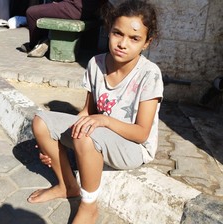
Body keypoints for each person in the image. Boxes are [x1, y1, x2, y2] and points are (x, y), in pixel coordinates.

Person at [28, 0, 163, 223]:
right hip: (99, 137)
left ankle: (89, 206)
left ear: (147, 43)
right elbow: (86, 112)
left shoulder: (150, 75)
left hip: (133, 148)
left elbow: (141, 134)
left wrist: (103, 120)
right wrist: (52, 142)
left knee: (86, 135)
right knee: (41, 121)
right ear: (108, 30)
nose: (122, 43)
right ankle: (67, 186)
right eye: (117, 33)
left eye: (134, 38)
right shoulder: (96, 63)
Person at [21, 0, 107, 57]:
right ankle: (44, 40)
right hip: (92, 9)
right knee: (47, 8)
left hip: (76, 8)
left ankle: (34, 45)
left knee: (31, 12)